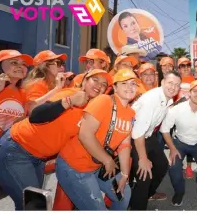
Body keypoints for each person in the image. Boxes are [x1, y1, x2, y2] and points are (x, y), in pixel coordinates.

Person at [0, 69, 112, 210]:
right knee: (34, 206)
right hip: (16, 150)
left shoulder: (93, 109)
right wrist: (69, 101)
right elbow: (35, 116)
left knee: (30, 205)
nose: (99, 85)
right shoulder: (69, 94)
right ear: (84, 81)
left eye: (104, 84)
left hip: (37, 158)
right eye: (95, 80)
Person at [56, 69, 138, 210]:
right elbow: (85, 134)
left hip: (97, 166)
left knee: (124, 196)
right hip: (75, 167)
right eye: (124, 83)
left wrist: (125, 174)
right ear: (115, 87)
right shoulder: (104, 100)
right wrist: (107, 160)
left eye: (133, 83)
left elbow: (125, 144)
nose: (129, 87)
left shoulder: (131, 112)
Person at [129, 71, 182, 210]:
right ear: (162, 82)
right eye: (170, 83)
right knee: (144, 174)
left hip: (149, 135)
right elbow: (137, 134)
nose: (173, 87)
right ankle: (137, 206)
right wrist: (143, 158)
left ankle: (148, 193)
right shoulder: (151, 100)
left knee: (162, 165)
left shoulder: (168, 98)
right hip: (135, 138)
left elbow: (159, 126)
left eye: (177, 85)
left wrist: (172, 147)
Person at [161, 80, 197, 206]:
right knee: (174, 168)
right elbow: (164, 130)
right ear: (189, 93)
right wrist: (172, 148)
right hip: (180, 143)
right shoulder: (176, 109)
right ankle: (179, 192)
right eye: (195, 91)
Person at [0, 50, 33, 203]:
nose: (20, 66)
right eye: (14, 63)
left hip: (7, 151)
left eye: (23, 64)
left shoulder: (23, 93)